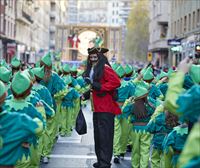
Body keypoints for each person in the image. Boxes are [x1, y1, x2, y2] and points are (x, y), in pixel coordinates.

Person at [82, 47, 121, 168]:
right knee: (98, 137)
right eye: (91, 57)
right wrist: (86, 94)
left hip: (106, 108)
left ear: (100, 58)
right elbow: (95, 86)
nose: (93, 60)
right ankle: (101, 160)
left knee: (105, 137)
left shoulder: (105, 68)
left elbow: (116, 82)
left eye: (95, 57)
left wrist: (100, 87)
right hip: (97, 108)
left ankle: (105, 163)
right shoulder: (94, 69)